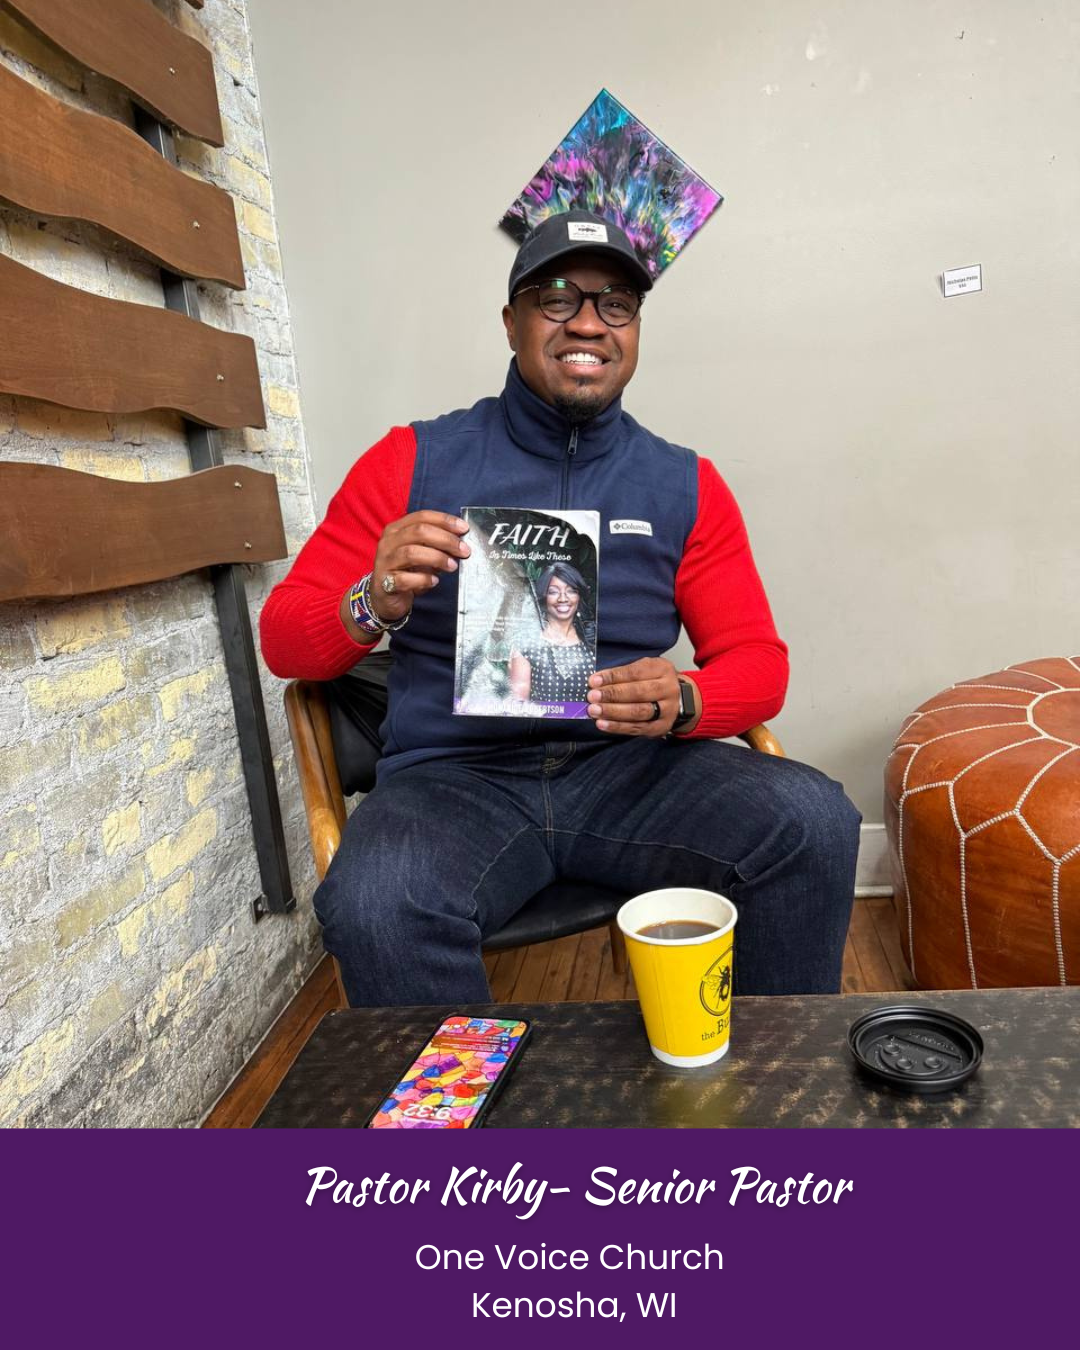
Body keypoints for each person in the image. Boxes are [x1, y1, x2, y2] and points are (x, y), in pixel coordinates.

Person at [260, 208, 861, 1007]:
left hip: (628, 770)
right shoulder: (411, 460)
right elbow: (285, 645)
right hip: (455, 781)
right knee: (374, 903)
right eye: (557, 298)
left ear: (636, 330)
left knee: (814, 822)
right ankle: (471, 1124)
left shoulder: (687, 485)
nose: (589, 322)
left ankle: (775, 1099)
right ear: (511, 322)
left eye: (616, 304)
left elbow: (759, 664)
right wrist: (373, 600)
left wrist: (684, 699)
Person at [509, 562, 596, 707]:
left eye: (571, 591)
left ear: (579, 596)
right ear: (543, 597)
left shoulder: (592, 640)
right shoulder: (525, 645)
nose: (563, 598)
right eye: (553, 592)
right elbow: (518, 705)